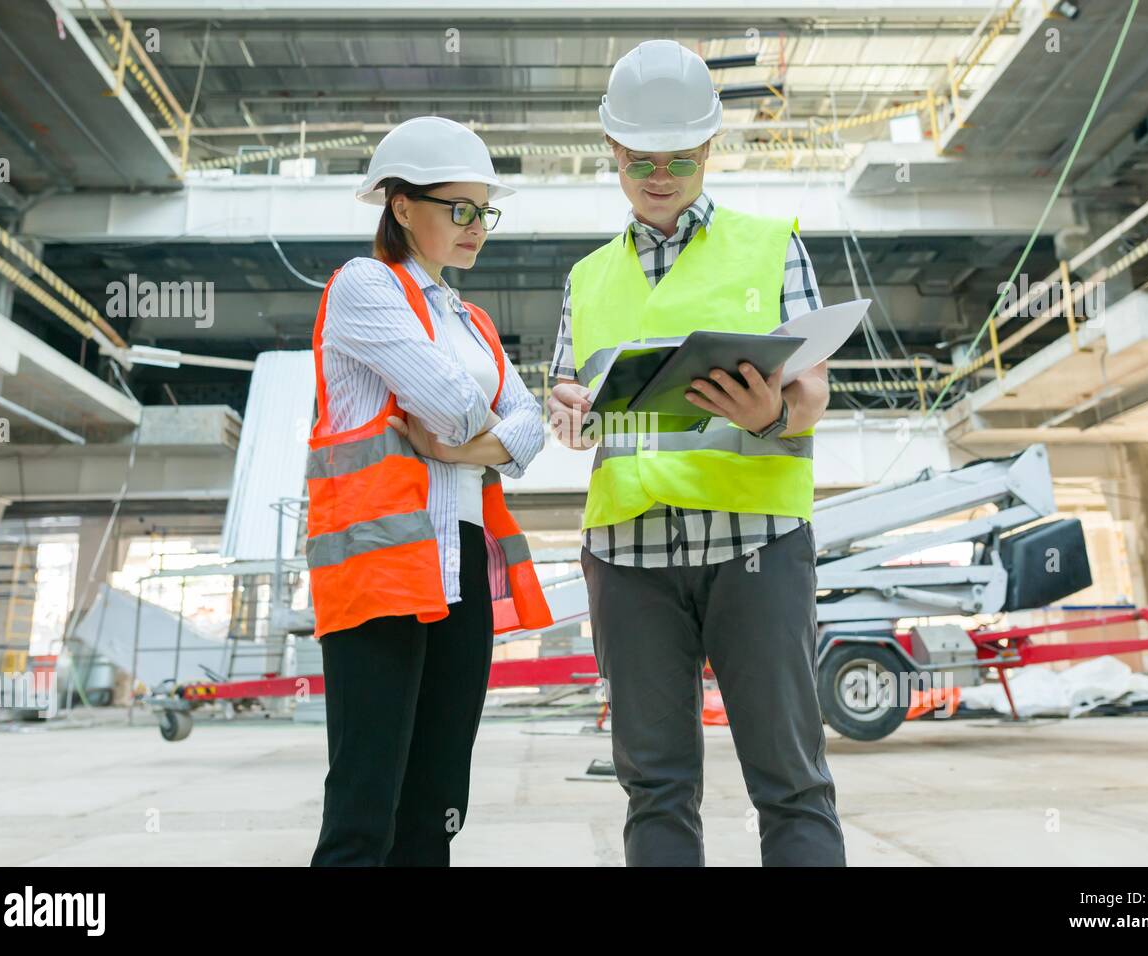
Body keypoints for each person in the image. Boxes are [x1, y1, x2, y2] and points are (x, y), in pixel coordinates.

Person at [547, 40, 847, 866]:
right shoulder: (585, 278)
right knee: (655, 788)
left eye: (680, 157)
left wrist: (773, 413)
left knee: (790, 781)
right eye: (640, 159)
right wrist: (565, 411)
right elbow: (571, 394)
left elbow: (814, 386)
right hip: (628, 556)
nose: (660, 175)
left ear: (710, 148)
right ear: (613, 150)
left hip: (755, 548)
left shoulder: (771, 243)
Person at [308, 115, 552, 866]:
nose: (477, 226)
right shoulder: (363, 287)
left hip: (461, 570)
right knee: (365, 809)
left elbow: (532, 429)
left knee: (439, 806)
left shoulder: (470, 318)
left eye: (486, 211)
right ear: (401, 205)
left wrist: (463, 444)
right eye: (461, 209)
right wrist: (482, 436)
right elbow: (453, 400)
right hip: (382, 568)